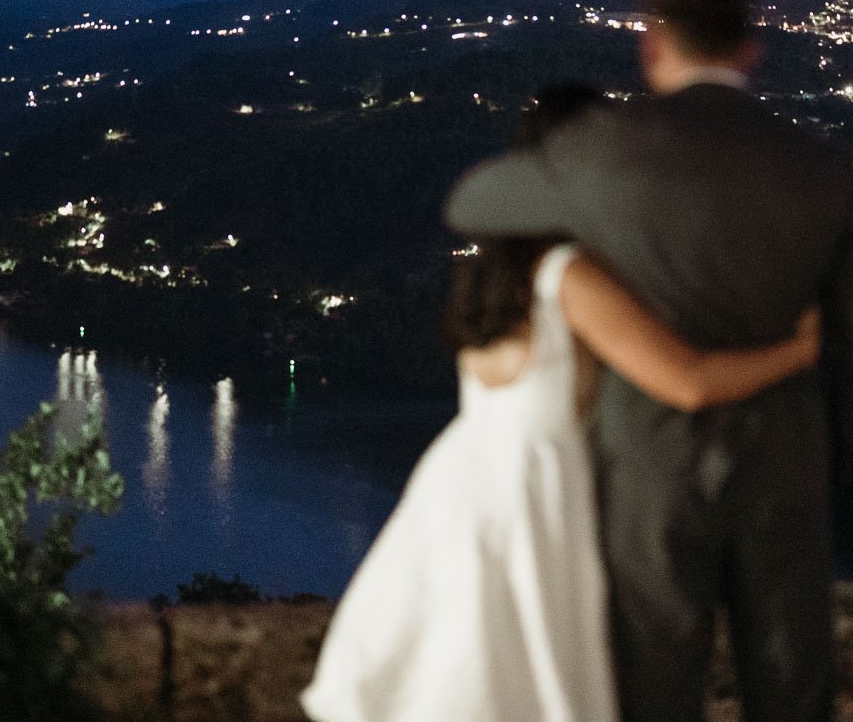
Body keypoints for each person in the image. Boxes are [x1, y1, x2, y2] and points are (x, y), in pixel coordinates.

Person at [445, 0, 853, 722]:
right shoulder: (823, 166)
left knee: (651, 678)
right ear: (749, 48)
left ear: (654, 45)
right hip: (784, 450)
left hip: (646, 457)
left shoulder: (609, 150)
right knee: (791, 679)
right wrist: (836, 449)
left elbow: (472, 203)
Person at [300, 87, 825, 722]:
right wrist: (796, 351)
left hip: (462, 478)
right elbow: (687, 381)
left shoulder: (490, 268)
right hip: (535, 488)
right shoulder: (568, 274)